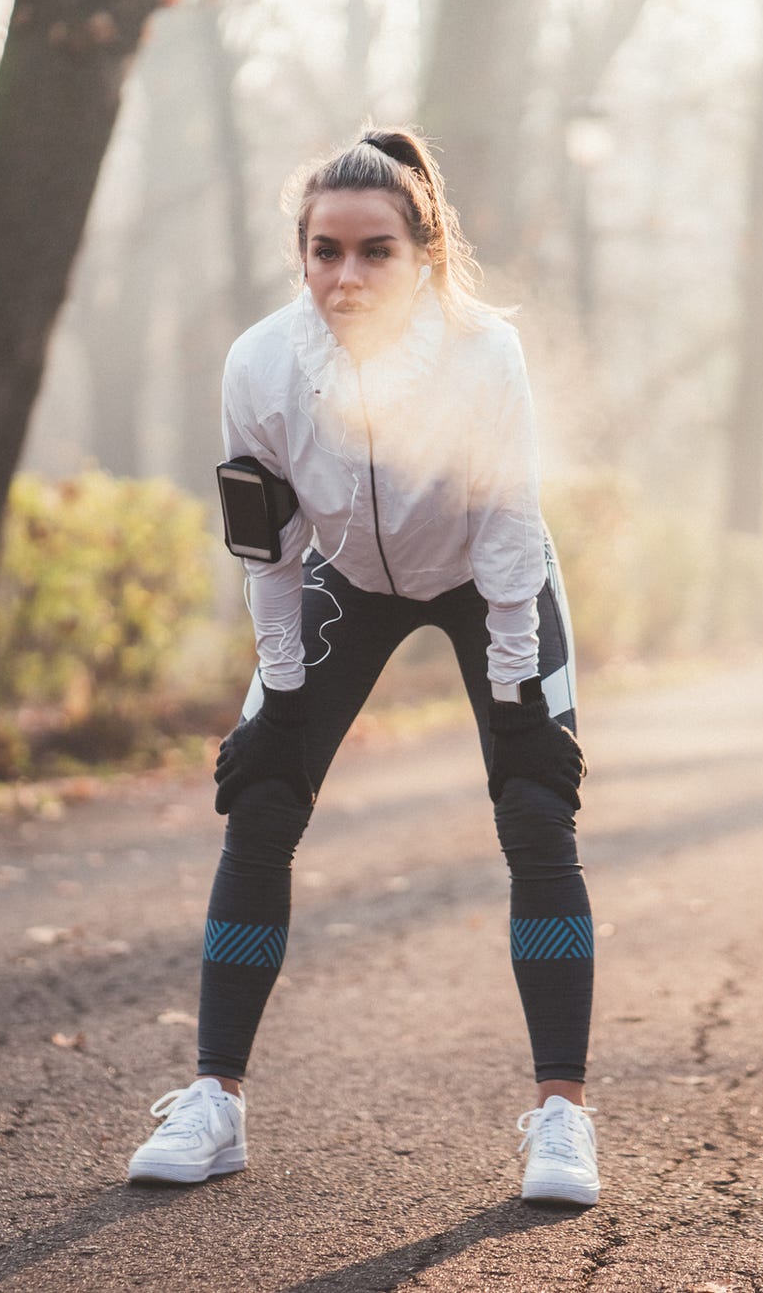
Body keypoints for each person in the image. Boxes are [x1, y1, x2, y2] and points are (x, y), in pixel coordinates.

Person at [125, 129, 599, 1206]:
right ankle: (215, 1103)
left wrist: (520, 694)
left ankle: (563, 1117)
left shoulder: (485, 354)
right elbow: (268, 544)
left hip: (487, 576)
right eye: (323, 251)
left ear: (422, 253)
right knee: (260, 797)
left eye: (373, 251)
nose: (345, 276)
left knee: (534, 805)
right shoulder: (259, 364)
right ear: (299, 255)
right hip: (344, 574)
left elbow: (512, 524)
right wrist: (281, 693)